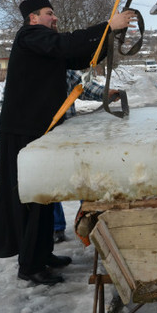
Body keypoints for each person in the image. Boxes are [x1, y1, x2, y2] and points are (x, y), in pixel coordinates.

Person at [0, 0, 137, 285]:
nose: (54, 17)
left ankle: (43, 253)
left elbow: (79, 56)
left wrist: (111, 37)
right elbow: (66, 44)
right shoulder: (30, 36)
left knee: (45, 194)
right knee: (32, 198)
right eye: (49, 13)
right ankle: (30, 264)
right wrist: (108, 24)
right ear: (33, 18)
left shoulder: (43, 45)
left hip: (40, 130)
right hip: (23, 132)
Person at [52, 69, 120, 243]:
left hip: (68, 134)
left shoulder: (61, 70)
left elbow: (83, 87)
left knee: (81, 177)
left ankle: (88, 218)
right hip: (41, 138)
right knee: (49, 182)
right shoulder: (24, 71)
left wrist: (107, 93)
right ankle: (54, 227)